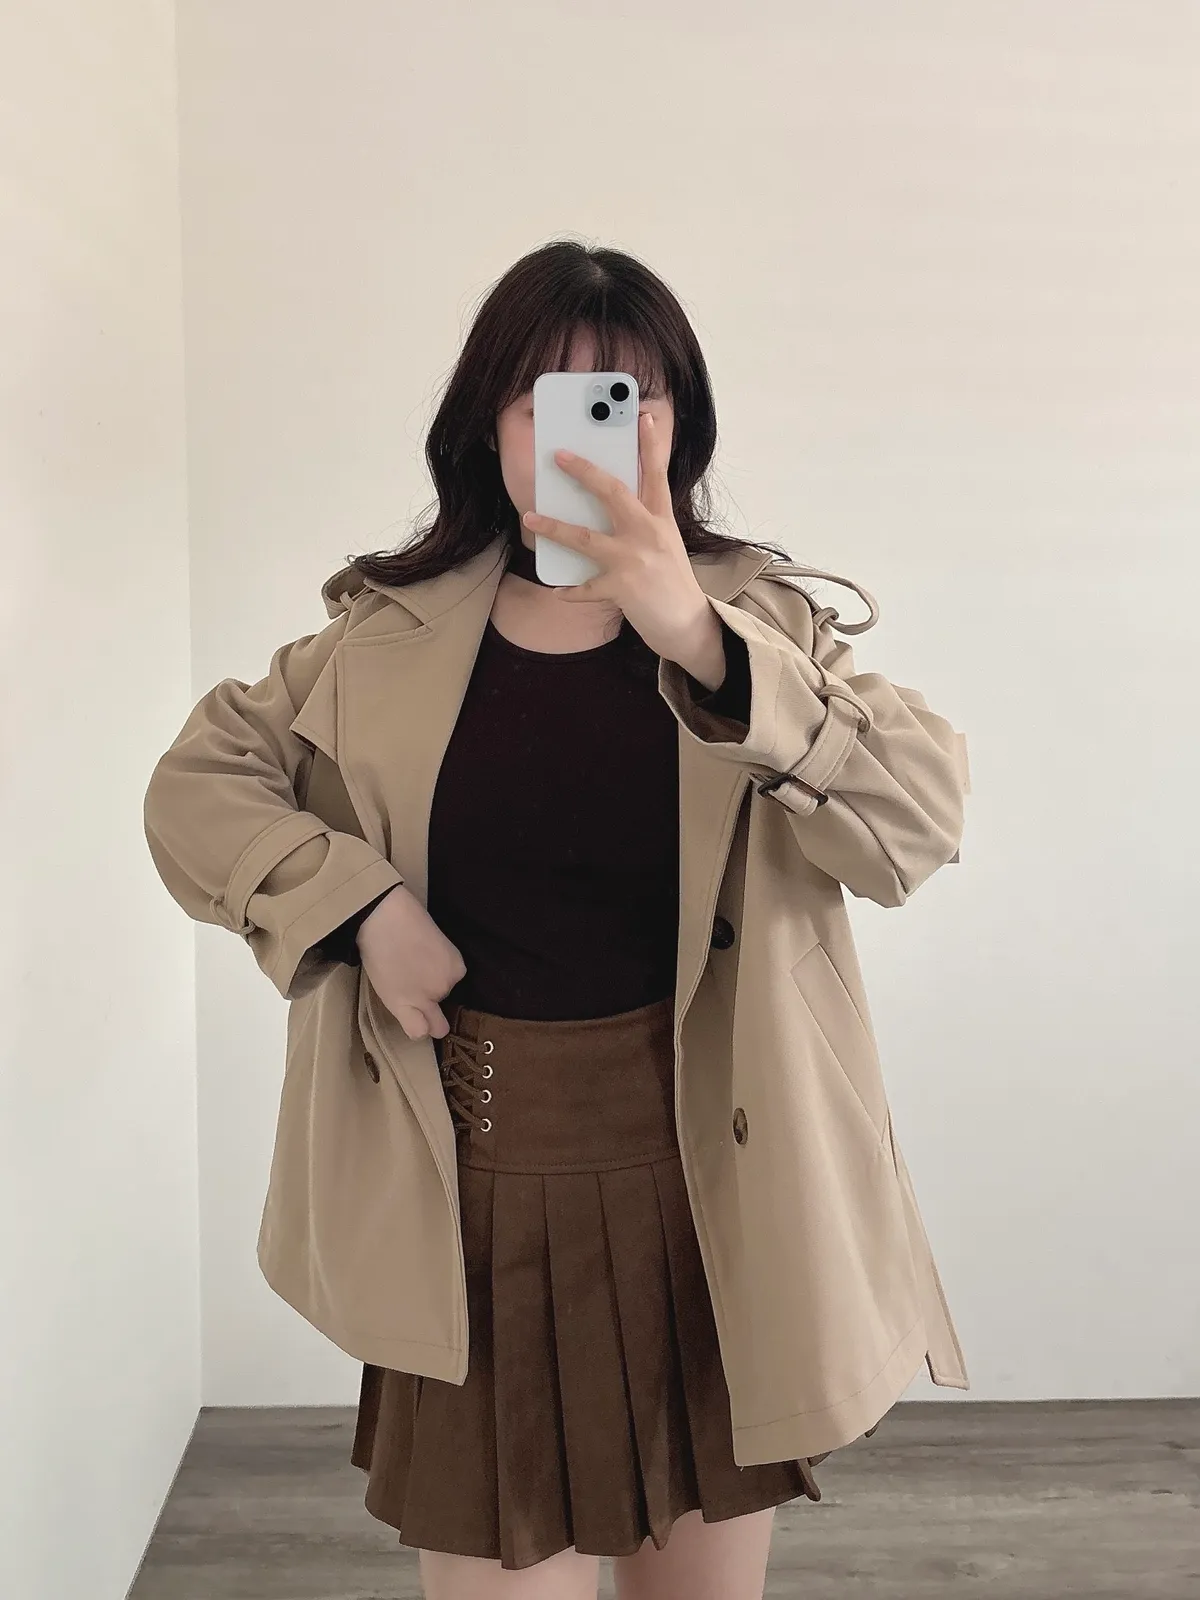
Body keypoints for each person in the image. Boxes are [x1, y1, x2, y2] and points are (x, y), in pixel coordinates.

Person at [143, 239, 970, 1600]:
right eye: (549, 399)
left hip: (714, 1193)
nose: (594, 433)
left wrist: (694, 634)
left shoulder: (762, 628)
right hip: (471, 1195)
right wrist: (359, 906)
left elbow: (916, 824)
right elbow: (199, 784)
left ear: (678, 426)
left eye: (629, 398)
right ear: (491, 425)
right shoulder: (386, 638)